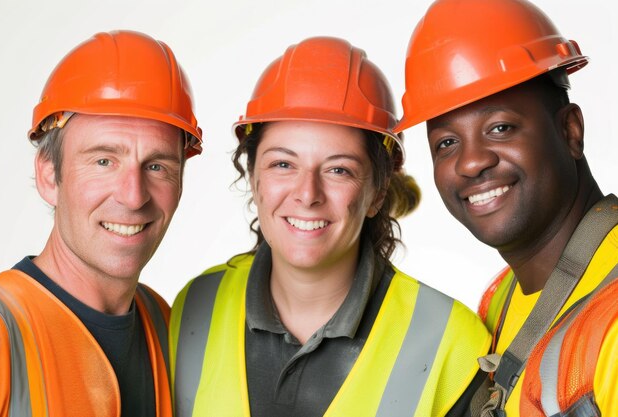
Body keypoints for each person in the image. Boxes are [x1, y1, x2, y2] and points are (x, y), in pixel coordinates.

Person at [169, 36, 489, 417]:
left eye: (339, 170)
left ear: (376, 192)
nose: (307, 194)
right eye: (283, 164)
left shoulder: (451, 341)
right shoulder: (193, 308)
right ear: (253, 178)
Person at [395, 0, 618, 416]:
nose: (471, 161)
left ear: (570, 130)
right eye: (447, 143)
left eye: (500, 127)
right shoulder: (498, 303)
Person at [0, 30, 203, 417]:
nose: (133, 195)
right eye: (104, 161)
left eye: (156, 166)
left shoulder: (164, 324)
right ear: (48, 175)